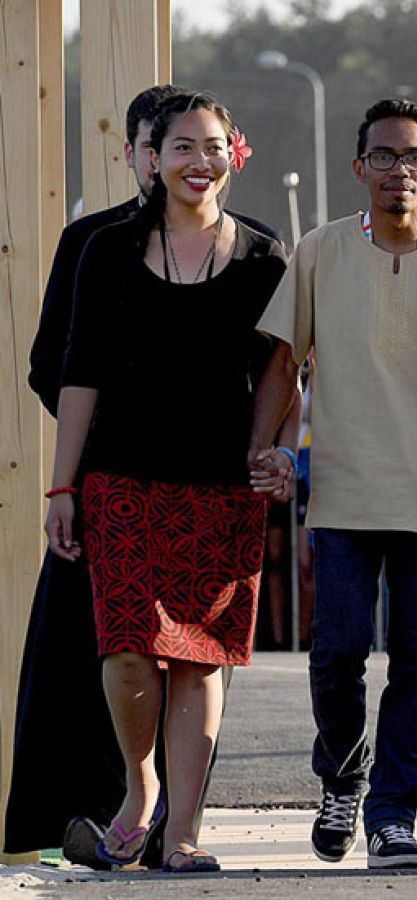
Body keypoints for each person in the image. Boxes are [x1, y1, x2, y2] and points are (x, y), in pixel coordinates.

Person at [5, 84, 279, 870]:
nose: (199, 161)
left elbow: (283, 370)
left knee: (200, 656)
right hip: (118, 481)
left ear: (237, 154)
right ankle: (140, 785)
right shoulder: (105, 248)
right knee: (126, 647)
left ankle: (182, 834)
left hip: (220, 486)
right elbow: (73, 371)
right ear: (149, 157)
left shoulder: (265, 254)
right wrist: (61, 487)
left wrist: (271, 451)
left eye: (213, 146)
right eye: (182, 147)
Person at [249, 98, 417, 870]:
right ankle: (343, 781)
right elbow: (281, 362)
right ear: (360, 168)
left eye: (415, 158)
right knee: (335, 653)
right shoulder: (320, 253)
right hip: (341, 491)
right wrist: (266, 449)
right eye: (385, 157)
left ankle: (394, 814)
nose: (401, 171)